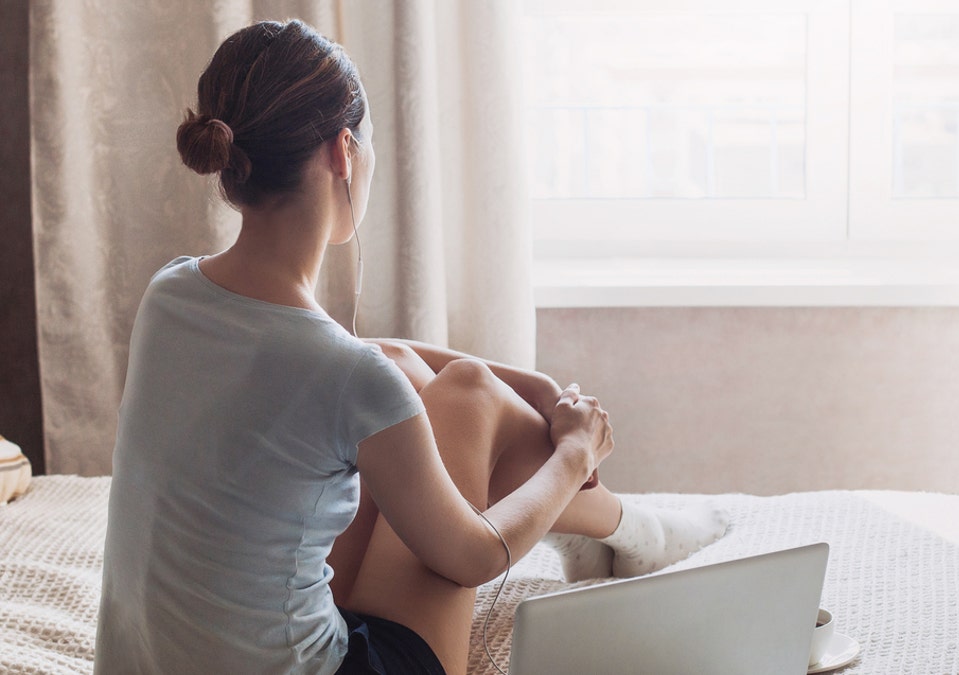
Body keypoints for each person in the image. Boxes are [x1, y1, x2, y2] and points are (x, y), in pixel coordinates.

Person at [94, 19, 727, 675]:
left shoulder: (168, 294)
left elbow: (342, 362)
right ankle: (627, 529)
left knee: (402, 369)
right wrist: (574, 451)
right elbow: (475, 556)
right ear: (343, 152)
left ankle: (614, 533)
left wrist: (536, 383)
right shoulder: (343, 376)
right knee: (471, 392)